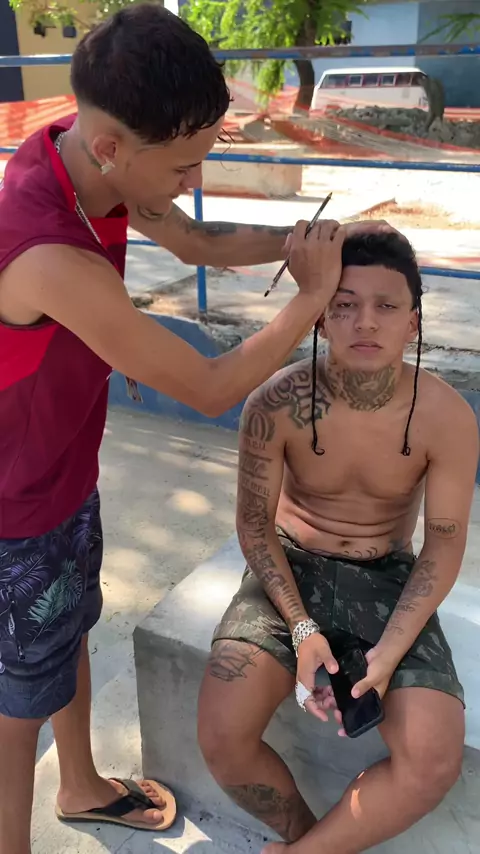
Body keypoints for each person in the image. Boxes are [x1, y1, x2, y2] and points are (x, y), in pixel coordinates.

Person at [0, 5, 392, 853]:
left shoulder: (85, 157)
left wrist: (303, 243)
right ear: (113, 147)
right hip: (13, 504)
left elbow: (197, 242)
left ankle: (80, 784)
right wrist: (308, 299)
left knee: (68, 627)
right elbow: (210, 386)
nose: (194, 179)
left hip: (60, 466)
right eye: (183, 166)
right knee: (17, 698)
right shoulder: (46, 251)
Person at [198, 231, 480, 854]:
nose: (365, 321)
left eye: (386, 306)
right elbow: (254, 526)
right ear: (322, 316)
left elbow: (442, 544)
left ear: (413, 321)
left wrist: (390, 651)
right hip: (288, 568)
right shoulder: (275, 402)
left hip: (386, 575)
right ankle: (305, 836)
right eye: (345, 304)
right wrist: (300, 628)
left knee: (433, 757)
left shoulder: (447, 417)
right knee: (222, 732)